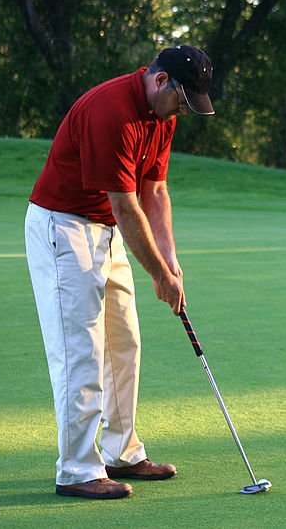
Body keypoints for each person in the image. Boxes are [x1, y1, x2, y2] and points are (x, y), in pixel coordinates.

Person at [24, 45, 215, 499]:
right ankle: (76, 470)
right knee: (81, 350)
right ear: (162, 81)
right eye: (183, 100)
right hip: (63, 227)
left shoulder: (162, 116)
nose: (183, 112)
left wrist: (169, 258)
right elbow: (126, 209)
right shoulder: (112, 111)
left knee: (124, 343)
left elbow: (156, 190)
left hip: (104, 232)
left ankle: (121, 452)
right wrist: (160, 277)